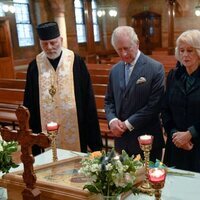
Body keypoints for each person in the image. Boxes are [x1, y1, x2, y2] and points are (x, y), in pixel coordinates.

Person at [23, 21, 102, 156]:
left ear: (61, 40)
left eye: (53, 43)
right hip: (45, 131)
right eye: (44, 44)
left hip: (76, 127)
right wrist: (32, 139)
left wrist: (95, 144)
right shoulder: (35, 66)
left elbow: (87, 99)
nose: (49, 47)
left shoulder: (75, 61)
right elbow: (29, 103)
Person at [104, 26, 165, 161]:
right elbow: (109, 101)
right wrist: (112, 120)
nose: (123, 53)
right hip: (122, 141)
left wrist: (127, 124)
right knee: (122, 181)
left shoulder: (155, 68)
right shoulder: (115, 70)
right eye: (119, 50)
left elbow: (153, 106)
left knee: (149, 180)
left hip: (146, 140)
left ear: (136, 44)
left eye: (127, 48)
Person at [161, 29, 200, 172]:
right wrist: (174, 134)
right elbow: (165, 109)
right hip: (175, 144)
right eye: (182, 50)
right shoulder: (173, 75)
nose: (185, 55)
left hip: (197, 145)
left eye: (190, 50)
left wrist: (190, 133)